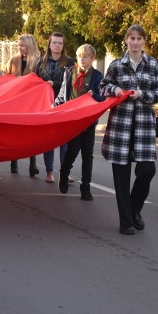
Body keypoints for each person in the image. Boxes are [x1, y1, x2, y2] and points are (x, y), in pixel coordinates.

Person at [101, 25, 158, 235]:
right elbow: (103, 87)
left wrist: (142, 95)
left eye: (139, 38)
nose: (136, 42)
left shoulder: (153, 64)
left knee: (147, 171)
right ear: (126, 40)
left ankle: (134, 208)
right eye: (132, 38)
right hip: (121, 126)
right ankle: (126, 222)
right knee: (121, 176)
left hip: (143, 128)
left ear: (144, 41)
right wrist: (116, 90)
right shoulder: (117, 65)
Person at [56, 44, 104, 201]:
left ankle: (86, 187)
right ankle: (64, 173)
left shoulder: (97, 76)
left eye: (85, 56)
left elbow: (102, 97)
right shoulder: (70, 71)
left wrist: (94, 95)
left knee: (87, 155)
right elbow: (64, 93)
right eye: (79, 56)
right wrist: (55, 107)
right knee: (73, 150)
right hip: (73, 119)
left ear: (92, 59)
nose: (82, 59)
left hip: (89, 121)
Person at [35, 32, 74, 183]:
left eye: (60, 43)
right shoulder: (41, 62)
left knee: (64, 141)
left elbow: (70, 82)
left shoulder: (69, 62)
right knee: (49, 140)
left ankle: (65, 172)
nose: (57, 45)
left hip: (63, 104)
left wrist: (54, 84)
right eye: (54, 42)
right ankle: (49, 172)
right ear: (49, 44)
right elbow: (35, 81)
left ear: (63, 46)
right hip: (45, 105)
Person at [4, 34, 41, 176]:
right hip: (15, 100)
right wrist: (15, 79)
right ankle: (14, 160)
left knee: (31, 132)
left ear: (30, 46)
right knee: (14, 131)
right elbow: (5, 75)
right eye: (19, 45)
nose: (20, 48)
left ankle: (33, 163)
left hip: (31, 101)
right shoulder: (14, 59)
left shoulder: (38, 61)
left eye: (23, 45)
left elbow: (41, 79)